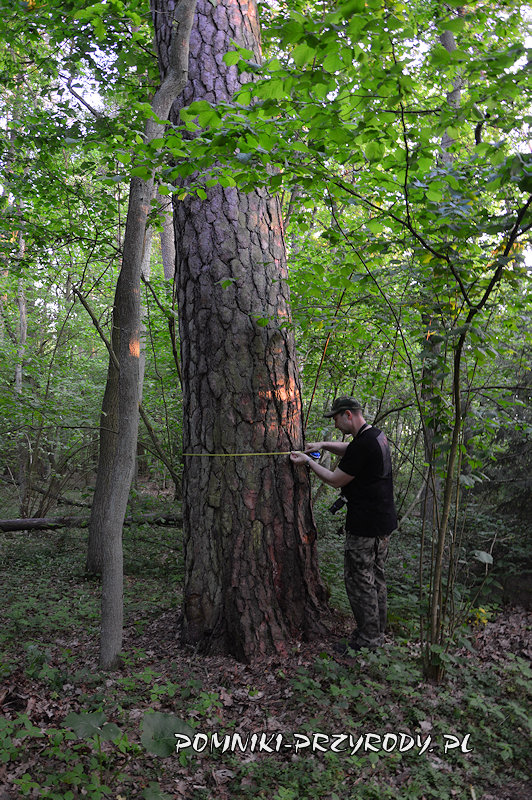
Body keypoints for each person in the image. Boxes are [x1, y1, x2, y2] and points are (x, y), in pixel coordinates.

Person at [290, 396, 397, 654]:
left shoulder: (364, 444)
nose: (336, 425)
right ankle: (376, 633)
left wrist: (308, 462)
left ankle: (368, 640)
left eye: (336, 419)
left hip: (365, 527)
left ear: (348, 414)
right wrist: (323, 445)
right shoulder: (375, 436)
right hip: (382, 524)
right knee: (376, 579)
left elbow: (336, 480)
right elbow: (351, 450)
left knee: (360, 582)